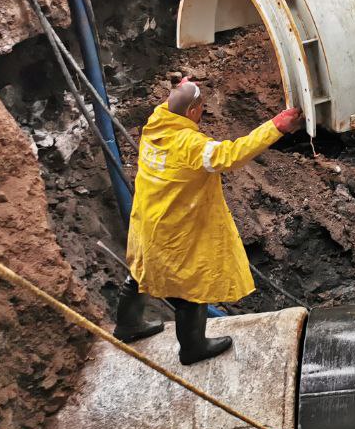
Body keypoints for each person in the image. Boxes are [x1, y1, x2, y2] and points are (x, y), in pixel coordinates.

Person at [117, 78, 304, 362]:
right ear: (193, 111)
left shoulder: (156, 123)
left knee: (140, 272)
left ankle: (127, 326)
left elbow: (173, 102)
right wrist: (276, 126)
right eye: (200, 108)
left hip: (147, 220)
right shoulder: (190, 144)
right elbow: (230, 155)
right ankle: (192, 348)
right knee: (190, 287)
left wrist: (182, 89)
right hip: (175, 228)